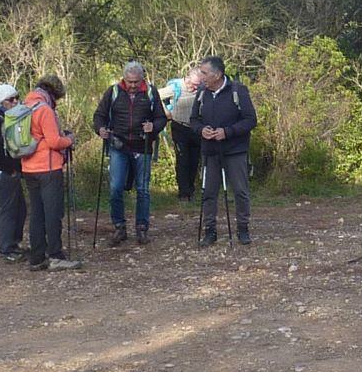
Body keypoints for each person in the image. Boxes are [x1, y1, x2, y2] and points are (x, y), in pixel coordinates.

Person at [93, 61, 168, 246]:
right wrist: (100, 129)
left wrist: (154, 127)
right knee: (115, 188)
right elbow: (99, 115)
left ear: (142, 78)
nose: (133, 85)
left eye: (136, 81)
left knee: (143, 189)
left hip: (142, 146)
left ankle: (142, 228)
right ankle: (119, 227)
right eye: (129, 81)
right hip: (118, 145)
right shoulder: (113, 91)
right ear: (124, 78)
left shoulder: (150, 92)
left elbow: (161, 117)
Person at [190, 56, 257, 245]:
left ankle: (243, 229)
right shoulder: (202, 92)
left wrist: (228, 132)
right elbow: (193, 119)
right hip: (210, 150)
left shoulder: (238, 91)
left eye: (204, 72)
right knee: (209, 192)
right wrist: (201, 130)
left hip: (235, 150)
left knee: (240, 191)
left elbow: (251, 120)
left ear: (217, 74)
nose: (200, 76)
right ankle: (209, 231)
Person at [21, 75, 82, 271]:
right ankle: (56, 255)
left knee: (37, 214)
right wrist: (70, 139)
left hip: (28, 168)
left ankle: (37, 257)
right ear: (53, 93)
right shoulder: (44, 110)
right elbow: (55, 141)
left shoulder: (24, 107)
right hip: (48, 168)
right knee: (53, 213)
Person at [0, 84, 27, 262]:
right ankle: (6, 248)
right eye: (11, 99)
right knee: (8, 210)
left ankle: (14, 244)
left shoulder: (3, 116)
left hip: (9, 170)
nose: (15, 101)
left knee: (20, 208)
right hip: (4, 171)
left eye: (16, 97)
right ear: (1, 102)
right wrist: (10, 168)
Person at [160, 67, 204, 202]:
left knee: (194, 160)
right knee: (182, 159)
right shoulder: (175, 87)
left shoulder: (202, 89)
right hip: (179, 127)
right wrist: (166, 112)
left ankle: (191, 189)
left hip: (197, 129)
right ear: (187, 78)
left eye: (198, 85)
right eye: (193, 84)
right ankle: (183, 193)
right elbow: (155, 96)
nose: (195, 88)